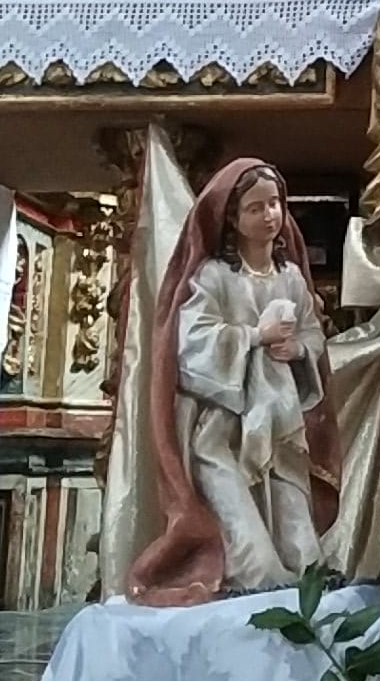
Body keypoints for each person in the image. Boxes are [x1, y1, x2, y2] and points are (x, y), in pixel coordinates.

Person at [128, 159, 341, 604]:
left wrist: (299, 350)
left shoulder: (291, 277)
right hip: (222, 432)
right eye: (255, 208)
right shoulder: (214, 276)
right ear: (231, 218)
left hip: (278, 424)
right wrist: (253, 337)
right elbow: (190, 343)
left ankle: (305, 588)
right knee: (254, 560)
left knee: (304, 553)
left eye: (275, 204)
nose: (270, 216)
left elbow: (312, 334)